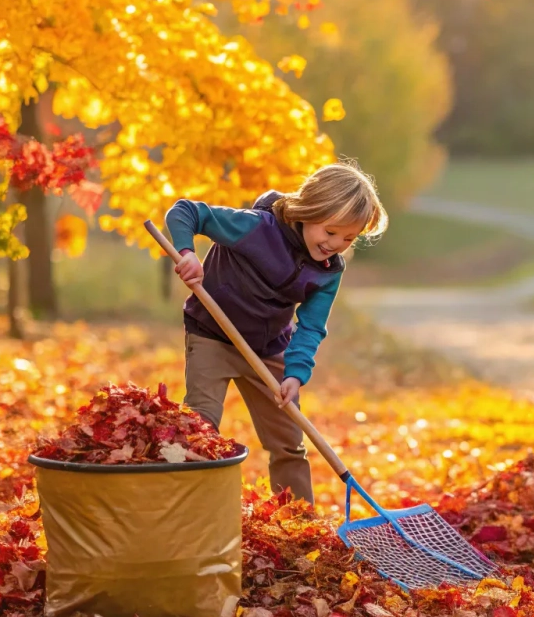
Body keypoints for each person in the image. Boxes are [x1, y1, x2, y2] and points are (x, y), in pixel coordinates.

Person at [166, 161, 387, 504]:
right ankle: (190, 509)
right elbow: (185, 212)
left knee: (288, 443)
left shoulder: (328, 271)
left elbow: (311, 326)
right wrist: (186, 254)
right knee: (199, 429)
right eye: (330, 232)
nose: (336, 244)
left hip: (268, 351)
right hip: (212, 335)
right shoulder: (256, 228)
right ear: (306, 211)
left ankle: (299, 523)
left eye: (348, 238)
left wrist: (296, 375)